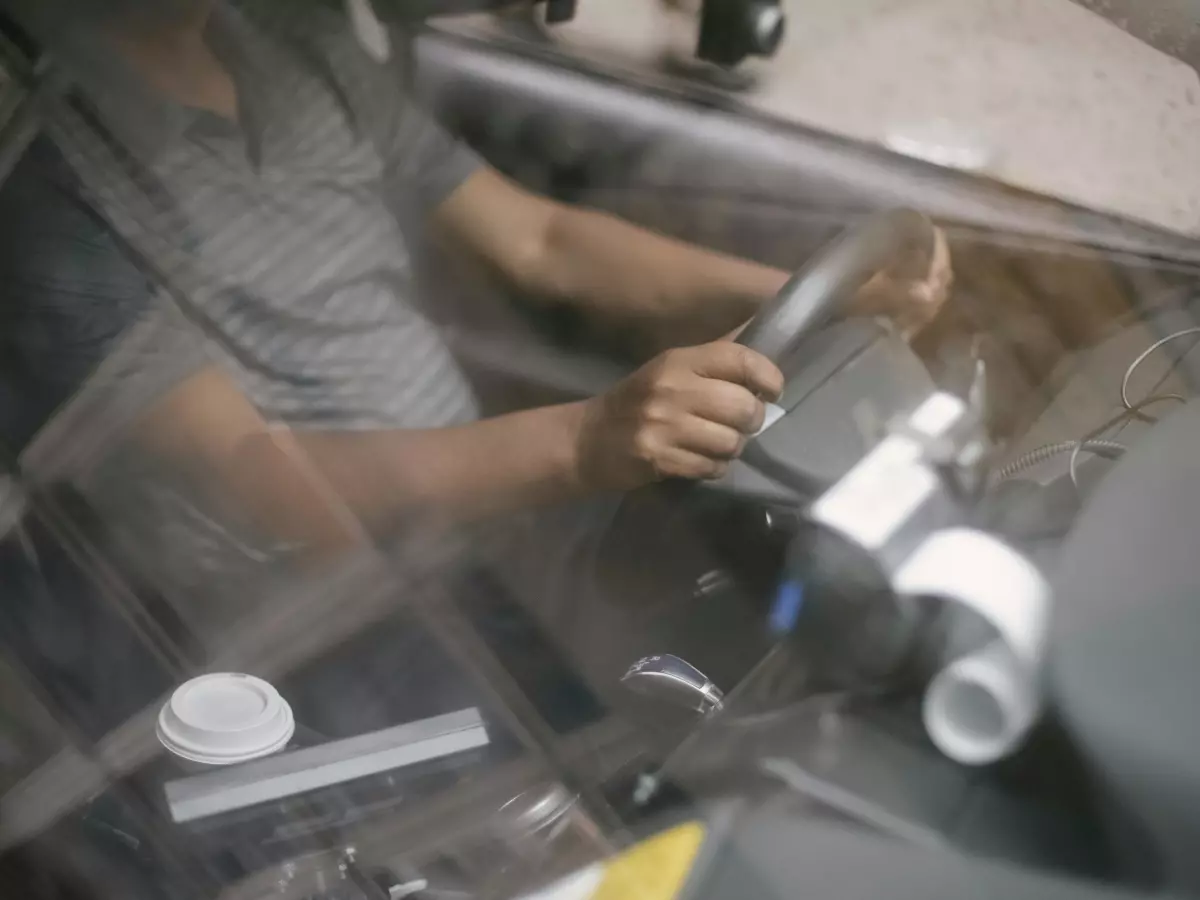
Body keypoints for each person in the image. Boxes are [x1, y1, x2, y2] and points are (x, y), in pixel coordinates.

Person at [0, 0, 950, 717]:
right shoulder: (44, 178)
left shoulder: (281, 39)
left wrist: (810, 290)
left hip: (493, 528)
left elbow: (542, 243)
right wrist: (583, 442)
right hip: (320, 640)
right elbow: (264, 486)